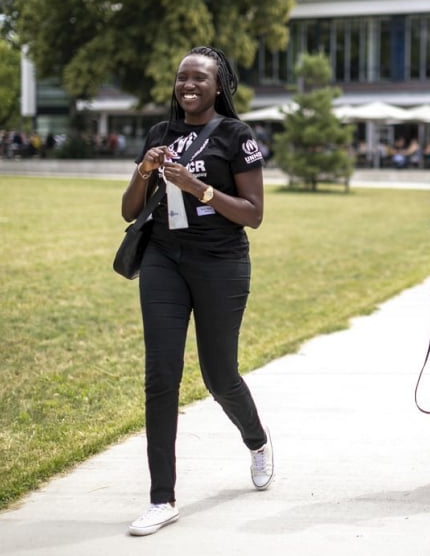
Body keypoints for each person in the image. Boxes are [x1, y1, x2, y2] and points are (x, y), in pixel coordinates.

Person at [120, 46, 273, 536]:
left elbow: (253, 213)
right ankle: (161, 498)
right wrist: (145, 169)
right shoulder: (159, 134)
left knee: (219, 374)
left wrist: (197, 187)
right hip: (164, 259)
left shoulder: (236, 135)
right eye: (182, 78)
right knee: (160, 375)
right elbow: (128, 211)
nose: (188, 86)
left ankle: (256, 440)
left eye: (199, 79)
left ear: (218, 87)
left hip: (221, 264)